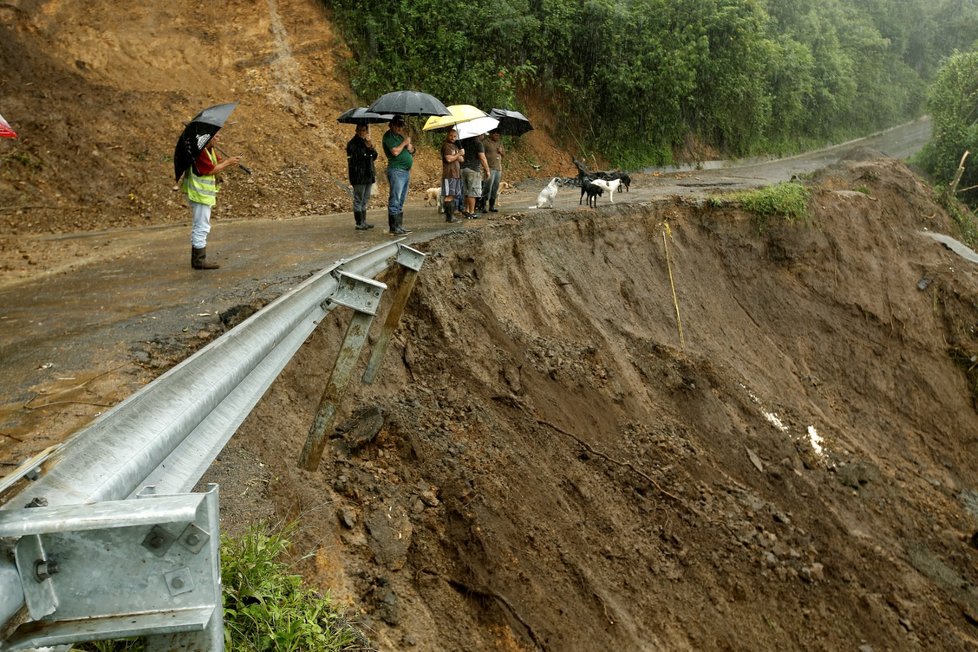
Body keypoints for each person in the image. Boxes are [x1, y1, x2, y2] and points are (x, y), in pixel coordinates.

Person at [182, 130, 241, 270]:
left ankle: (198, 258)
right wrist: (227, 162)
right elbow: (209, 170)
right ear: (207, 137)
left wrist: (229, 161)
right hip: (199, 194)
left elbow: (216, 161)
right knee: (201, 226)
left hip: (202, 194)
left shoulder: (208, 149)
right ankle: (199, 260)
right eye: (215, 135)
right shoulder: (200, 151)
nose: (219, 137)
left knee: (200, 225)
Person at [382, 115, 414, 235]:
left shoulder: (400, 137)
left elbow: (410, 151)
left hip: (405, 171)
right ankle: (393, 227)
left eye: (401, 126)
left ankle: (399, 225)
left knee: (401, 199)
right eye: (397, 125)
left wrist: (410, 147)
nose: (399, 128)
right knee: (395, 198)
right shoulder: (388, 137)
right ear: (391, 125)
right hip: (396, 170)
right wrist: (404, 143)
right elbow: (395, 152)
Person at [346, 123, 377, 230]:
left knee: (365, 199)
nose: (362, 132)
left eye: (364, 130)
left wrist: (370, 147)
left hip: (368, 175)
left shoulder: (367, 142)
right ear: (356, 130)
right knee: (358, 199)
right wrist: (368, 148)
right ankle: (359, 223)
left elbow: (374, 156)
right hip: (358, 175)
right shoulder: (352, 144)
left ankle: (363, 221)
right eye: (360, 130)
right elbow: (357, 158)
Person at [460, 133, 490, 219]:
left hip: (462, 168)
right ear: (478, 133)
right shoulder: (478, 143)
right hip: (473, 169)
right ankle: (472, 212)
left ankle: (466, 210)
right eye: (483, 134)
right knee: (472, 192)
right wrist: (487, 170)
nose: (484, 135)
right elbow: (482, 157)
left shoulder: (463, 142)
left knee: (466, 191)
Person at [440, 128, 465, 223]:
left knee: (453, 195)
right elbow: (449, 159)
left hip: (456, 174)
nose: (452, 138)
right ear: (447, 135)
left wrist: (460, 152)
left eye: (455, 136)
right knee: (449, 195)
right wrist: (458, 154)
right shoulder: (446, 146)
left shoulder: (455, 146)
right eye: (451, 135)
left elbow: (462, 160)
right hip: (449, 174)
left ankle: (451, 216)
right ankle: (449, 217)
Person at [480, 130, 504, 213]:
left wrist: (501, 152)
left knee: (495, 187)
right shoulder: (485, 142)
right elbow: (481, 154)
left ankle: (492, 206)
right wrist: (485, 167)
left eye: (498, 134)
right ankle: (483, 206)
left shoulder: (500, 143)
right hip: (489, 168)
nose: (497, 135)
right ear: (491, 134)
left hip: (498, 168)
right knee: (487, 187)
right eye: (495, 134)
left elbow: (503, 155)